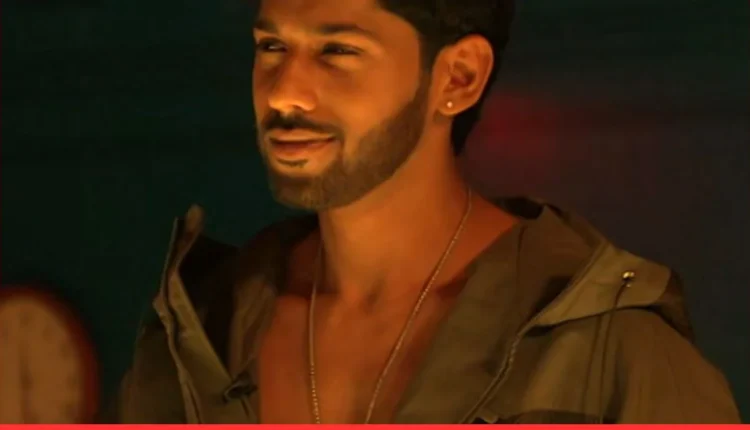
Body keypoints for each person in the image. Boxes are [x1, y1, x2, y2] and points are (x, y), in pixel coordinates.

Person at [100, 0, 741, 424]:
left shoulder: (609, 348)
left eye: (337, 51)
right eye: (271, 46)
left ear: (458, 78)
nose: (285, 93)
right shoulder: (195, 341)